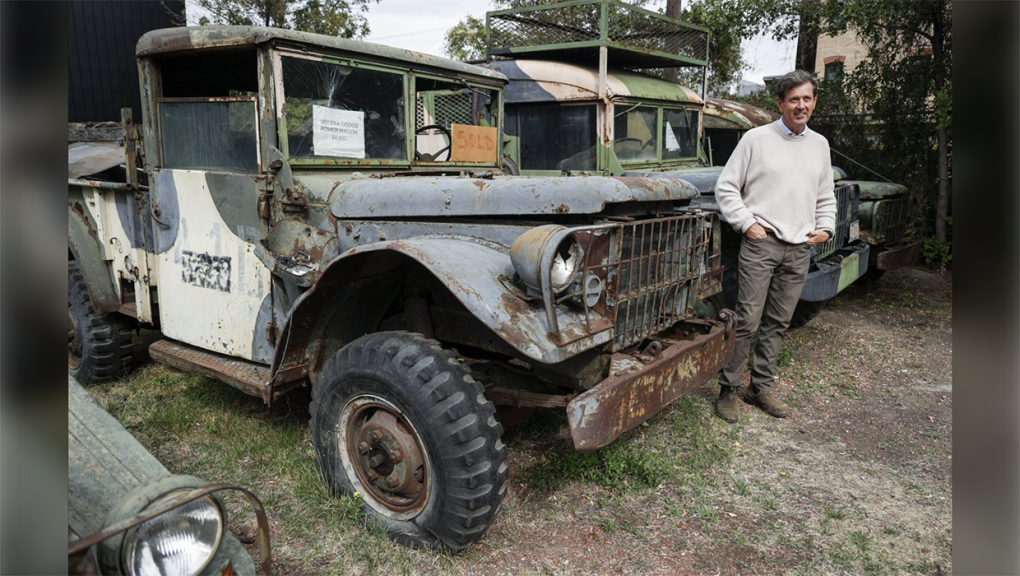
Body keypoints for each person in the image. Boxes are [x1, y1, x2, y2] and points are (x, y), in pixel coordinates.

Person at [712, 70, 837, 423]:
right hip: (762, 244)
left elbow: (825, 195)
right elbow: (726, 188)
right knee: (748, 321)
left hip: (799, 248)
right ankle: (728, 390)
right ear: (780, 103)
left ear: (814, 102)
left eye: (807, 98)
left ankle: (759, 388)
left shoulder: (819, 145)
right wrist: (747, 223)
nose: (801, 105)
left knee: (778, 323)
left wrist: (825, 228)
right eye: (793, 99)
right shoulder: (756, 139)